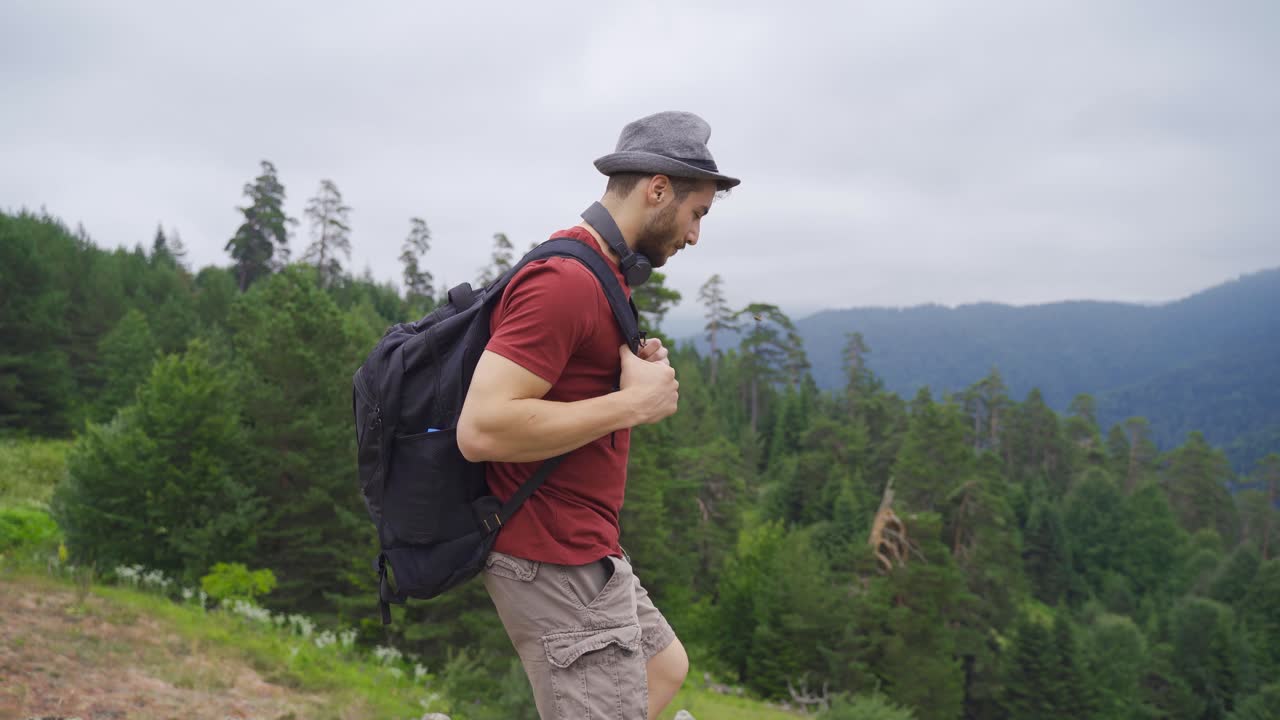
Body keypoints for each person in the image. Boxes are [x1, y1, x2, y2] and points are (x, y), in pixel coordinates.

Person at [456, 110, 740, 720]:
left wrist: (623, 375)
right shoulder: (566, 280)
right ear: (657, 188)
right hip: (551, 556)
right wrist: (632, 403)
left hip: (584, 546)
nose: (694, 235)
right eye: (697, 215)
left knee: (663, 668)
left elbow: (556, 387)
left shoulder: (603, 272)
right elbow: (481, 428)